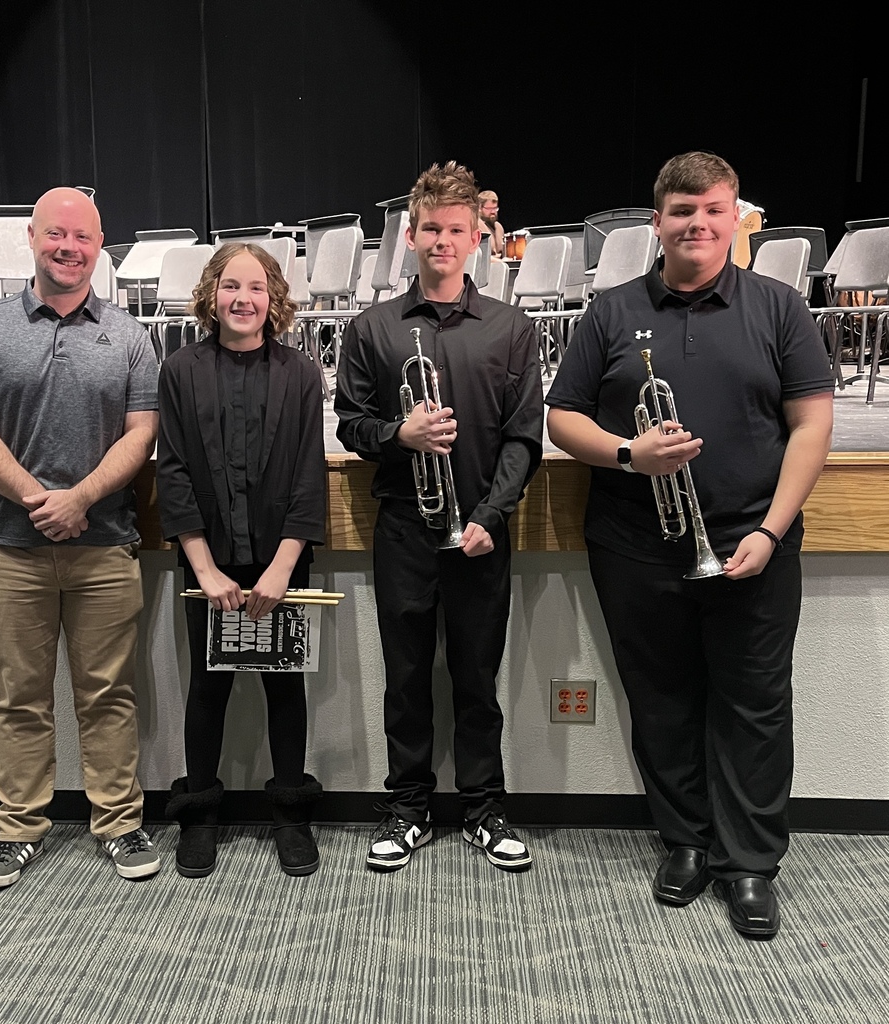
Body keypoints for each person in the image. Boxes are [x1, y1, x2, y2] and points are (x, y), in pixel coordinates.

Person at [546, 152, 834, 938]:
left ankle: (749, 864)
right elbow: (562, 416)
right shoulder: (610, 311)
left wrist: (771, 530)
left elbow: (811, 425)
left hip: (752, 542)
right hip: (636, 544)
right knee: (660, 699)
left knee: (754, 706)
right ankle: (685, 841)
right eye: (681, 211)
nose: (696, 224)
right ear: (657, 222)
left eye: (711, 210)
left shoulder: (778, 307)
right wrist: (627, 454)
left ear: (735, 217)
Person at [0, 187, 161, 888]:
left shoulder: (129, 336)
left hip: (105, 545)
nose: (69, 248)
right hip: (12, 546)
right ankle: (16, 831)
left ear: (100, 247)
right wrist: (40, 501)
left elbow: (141, 435)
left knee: (109, 695)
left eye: (83, 237)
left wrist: (82, 498)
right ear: (33, 239)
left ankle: (120, 824)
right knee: (20, 698)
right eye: (56, 235)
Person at [335, 161, 543, 872]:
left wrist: (492, 514)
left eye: (456, 230)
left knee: (478, 678)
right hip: (405, 528)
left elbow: (523, 437)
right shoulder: (373, 328)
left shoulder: (510, 329)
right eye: (430, 229)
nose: (442, 241)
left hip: (482, 531)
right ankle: (408, 807)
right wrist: (401, 433)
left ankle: (484, 807)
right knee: (406, 677)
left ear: (478, 238)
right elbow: (351, 424)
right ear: (410, 235)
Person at [156, 243, 326, 878]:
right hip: (209, 562)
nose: (243, 299)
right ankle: (200, 815)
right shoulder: (180, 370)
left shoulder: (301, 373)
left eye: (256, 287)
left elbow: (308, 475)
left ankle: (290, 815)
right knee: (208, 687)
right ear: (212, 294)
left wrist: (282, 567)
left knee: (285, 685)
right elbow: (173, 473)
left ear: (273, 298)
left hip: (282, 559)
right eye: (231, 285)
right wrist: (204, 569)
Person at [477, 190, 505, 259]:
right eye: (489, 208)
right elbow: (479, 257)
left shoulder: (498, 227)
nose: (493, 212)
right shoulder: (475, 225)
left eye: (495, 208)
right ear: (480, 208)